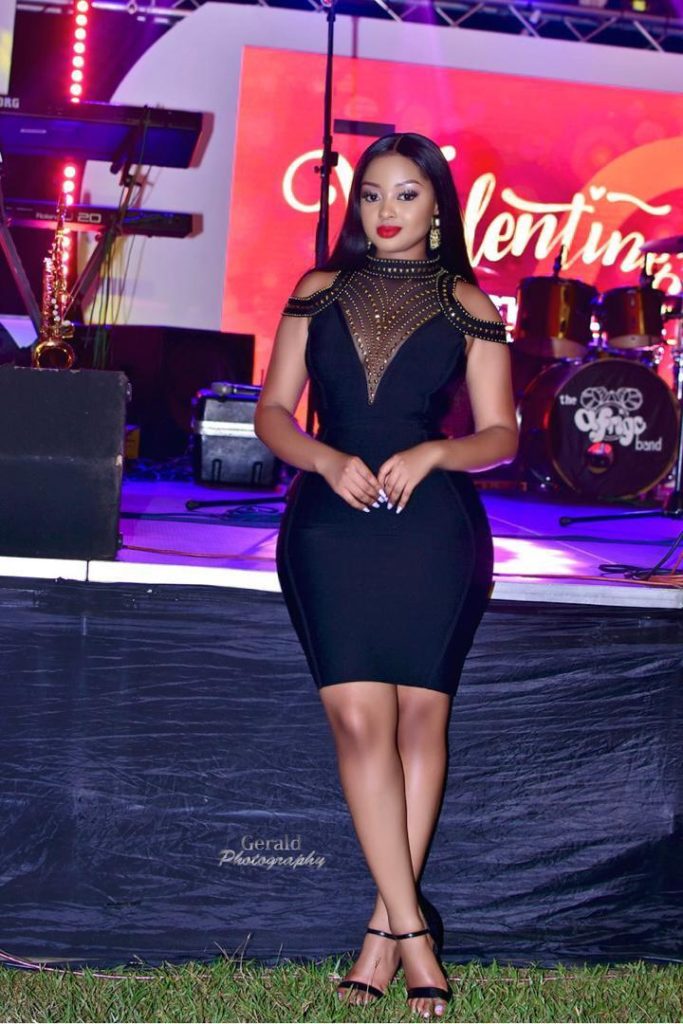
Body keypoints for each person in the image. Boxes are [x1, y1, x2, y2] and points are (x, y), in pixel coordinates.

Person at [254, 132, 518, 1019]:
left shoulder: (467, 302)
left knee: (417, 724)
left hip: (430, 533)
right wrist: (324, 459)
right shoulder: (317, 289)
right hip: (329, 527)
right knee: (359, 725)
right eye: (371, 194)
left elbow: (501, 434)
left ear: (437, 205)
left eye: (405, 194)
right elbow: (271, 413)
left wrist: (437, 451)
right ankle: (413, 934)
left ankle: (379, 936)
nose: (386, 211)